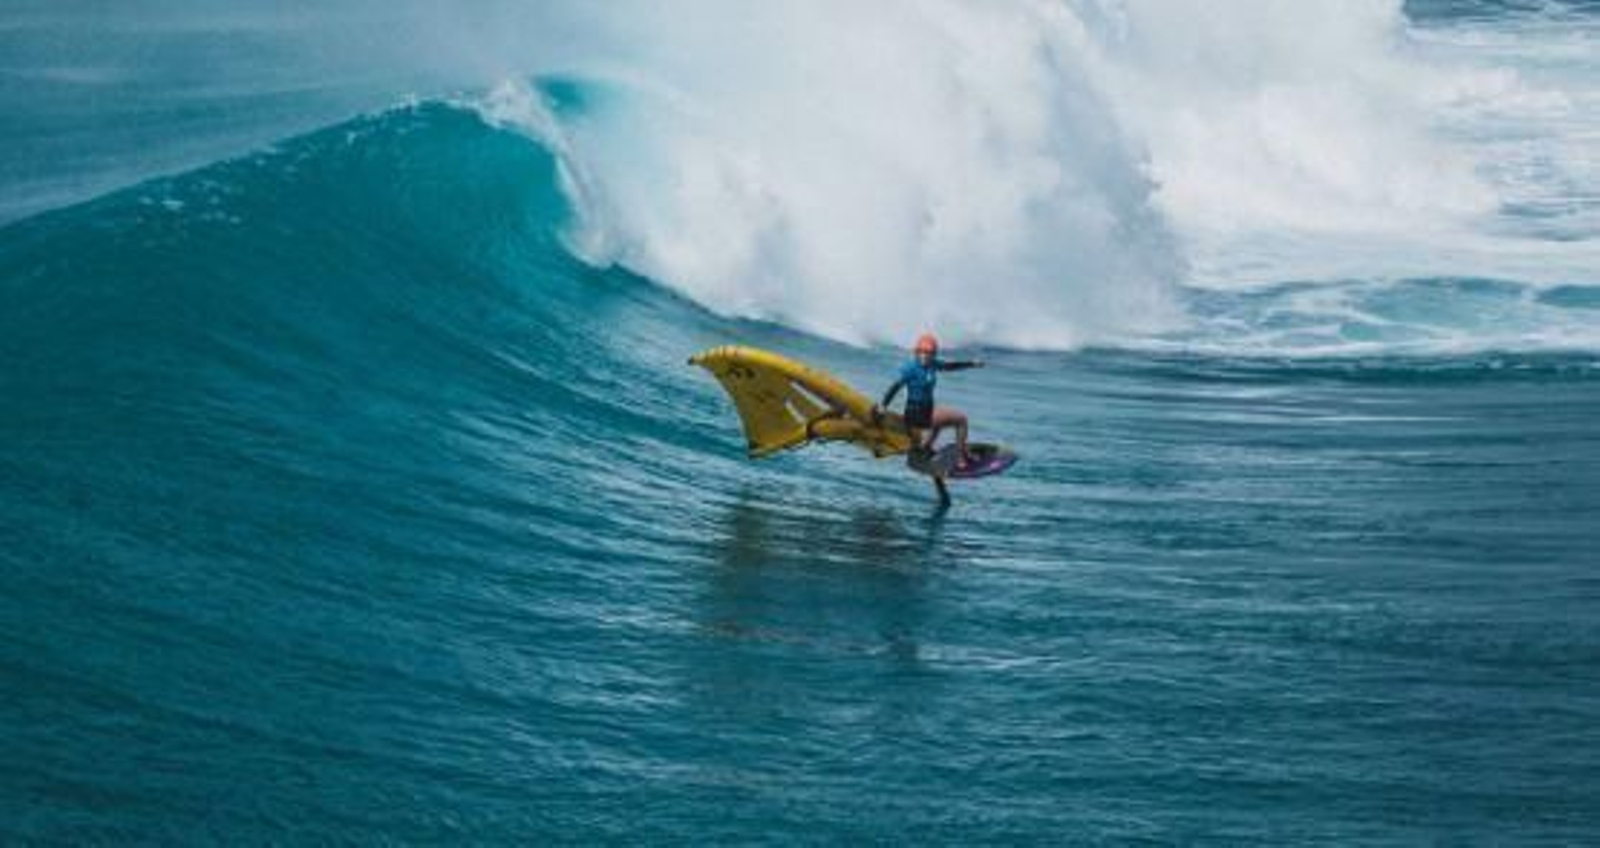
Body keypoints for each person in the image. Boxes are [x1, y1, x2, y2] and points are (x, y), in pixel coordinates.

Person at [874, 333, 984, 474]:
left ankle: (924, 448)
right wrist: (884, 405)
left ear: (933, 354)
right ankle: (960, 458)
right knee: (961, 420)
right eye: (922, 352)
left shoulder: (932, 364)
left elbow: (950, 366)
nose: (925, 356)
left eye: (929, 353)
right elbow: (895, 386)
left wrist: (972, 364)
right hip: (916, 414)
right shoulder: (910, 368)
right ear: (917, 352)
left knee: (938, 418)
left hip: (926, 411)